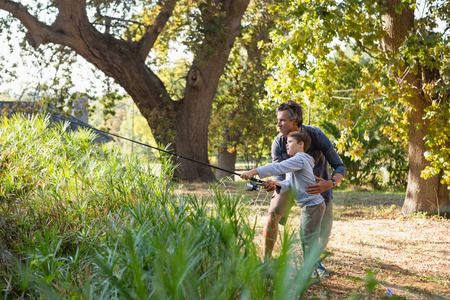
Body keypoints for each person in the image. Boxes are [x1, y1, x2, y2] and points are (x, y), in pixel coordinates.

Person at [261, 100, 346, 277]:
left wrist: (329, 183)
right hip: (290, 186)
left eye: (283, 120)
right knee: (272, 214)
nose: (278, 124)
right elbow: (279, 173)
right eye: (278, 120)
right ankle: (265, 263)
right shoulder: (278, 142)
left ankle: (314, 263)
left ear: (296, 122)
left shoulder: (315, 135)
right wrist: (273, 183)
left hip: (319, 188)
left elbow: (340, 167)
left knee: (323, 232)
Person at [241, 131, 326, 270]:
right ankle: (311, 270)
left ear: (301, 144)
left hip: (313, 205)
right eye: (286, 143)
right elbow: (289, 184)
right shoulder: (298, 162)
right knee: (306, 237)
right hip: (310, 205)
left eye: (290, 142)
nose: (286, 145)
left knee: (307, 238)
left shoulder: (300, 159)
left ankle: (312, 271)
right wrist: (276, 184)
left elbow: (277, 167)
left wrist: (253, 171)